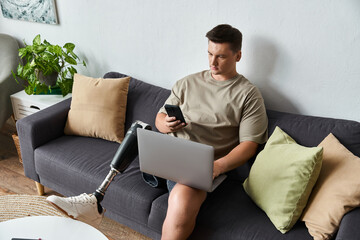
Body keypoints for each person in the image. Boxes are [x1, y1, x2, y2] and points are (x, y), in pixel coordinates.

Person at [47, 24, 268, 239]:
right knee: (138, 130)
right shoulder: (188, 83)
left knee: (182, 198)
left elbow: (249, 145)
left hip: (199, 167)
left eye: (221, 56)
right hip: (166, 156)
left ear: (238, 56)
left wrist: (217, 166)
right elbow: (160, 118)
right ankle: (93, 199)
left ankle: (93, 202)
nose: (212, 62)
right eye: (209, 53)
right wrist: (166, 124)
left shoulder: (248, 95)